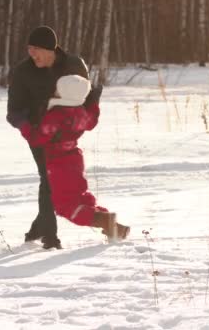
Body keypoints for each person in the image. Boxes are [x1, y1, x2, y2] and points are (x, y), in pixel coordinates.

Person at [7, 26, 90, 249]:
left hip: (68, 132)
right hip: (39, 133)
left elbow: (86, 95)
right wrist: (30, 132)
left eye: (36, 49)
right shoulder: (23, 72)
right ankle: (50, 238)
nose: (32, 54)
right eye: (29, 49)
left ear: (50, 48)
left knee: (55, 178)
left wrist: (87, 117)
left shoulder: (74, 65)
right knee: (48, 177)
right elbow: (13, 111)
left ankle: (38, 227)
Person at [19, 74, 130, 240]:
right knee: (80, 198)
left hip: (58, 162)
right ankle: (113, 228)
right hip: (73, 159)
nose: (54, 91)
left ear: (65, 94)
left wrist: (23, 123)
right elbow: (92, 122)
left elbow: (37, 137)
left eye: (58, 89)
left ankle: (105, 221)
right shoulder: (80, 113)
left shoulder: (56, 116)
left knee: (66, 206)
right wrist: (93, 103)